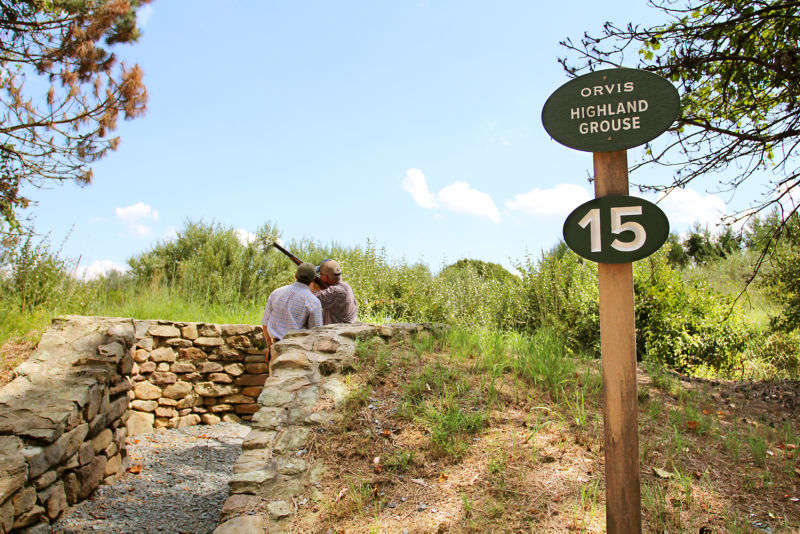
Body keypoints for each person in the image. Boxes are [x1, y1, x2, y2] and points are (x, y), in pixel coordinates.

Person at [261, 262, 323, 364]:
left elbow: (265, 323)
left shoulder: (276, 292)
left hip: (275, 349)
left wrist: (270, 347)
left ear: (295, 276)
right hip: (297, 353)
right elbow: (316, 334)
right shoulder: (313, 301)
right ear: (313, 279)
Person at [312, 259, 358, 325]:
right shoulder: (345, 286)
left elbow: (310, 299)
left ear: (325, 277)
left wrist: (310, 281)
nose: (319, 277)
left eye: (320, 274)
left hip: (337, 333)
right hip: (341, 331)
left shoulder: (336, 291)